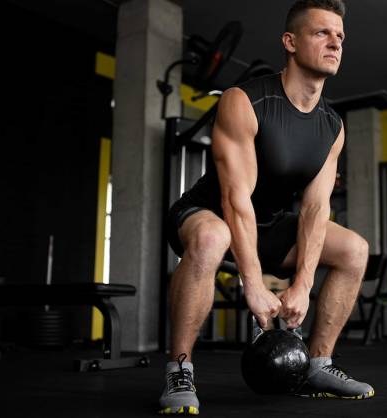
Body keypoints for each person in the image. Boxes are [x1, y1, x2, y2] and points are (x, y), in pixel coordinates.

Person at [158, 1, 374, 415]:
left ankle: (317, 366)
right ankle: (179, 369)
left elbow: (316, 208)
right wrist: (253, 283)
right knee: (213, 235)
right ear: (290, 42)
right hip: (206, 214)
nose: (335, 43)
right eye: (322, 33)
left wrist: (303, 285)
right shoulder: (245, 101)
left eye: (340, 36)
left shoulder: (332, 126)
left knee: (354, 250)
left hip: (268, 224)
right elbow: (234, 200)